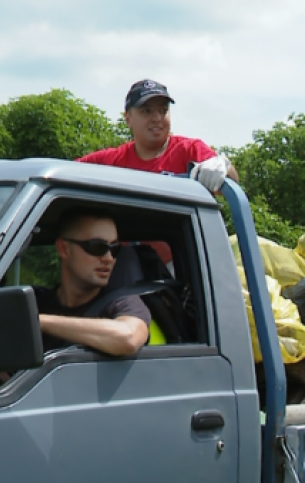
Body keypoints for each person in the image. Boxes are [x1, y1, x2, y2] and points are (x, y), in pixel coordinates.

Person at [77, 79, 239, 193]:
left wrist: (222, 168)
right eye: (147, 111)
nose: (157, 118)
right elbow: (63, 173)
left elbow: (232, 184)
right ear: (128, 118)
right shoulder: (113, 161)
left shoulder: (189, 150)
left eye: (163, 110)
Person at [35, 208, 150, 356]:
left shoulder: (123, 302)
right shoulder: (37, 302)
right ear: (63, 249)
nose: (109, 258)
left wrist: (41, 322)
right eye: (97, 247)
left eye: (115, 249)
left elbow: (128, 338)